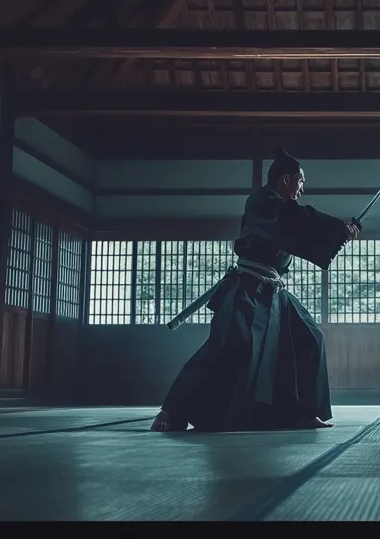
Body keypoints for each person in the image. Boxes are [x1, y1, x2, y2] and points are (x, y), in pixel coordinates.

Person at [151, 148, 360, 432]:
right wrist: (336, 230)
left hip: (274, 291)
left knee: (310, 338)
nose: (302, 187)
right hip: (247, 289)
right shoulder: (262, 202)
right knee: (229, 346)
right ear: (285, 179)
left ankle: (303, 412)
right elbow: (293, 221)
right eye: (300, 180)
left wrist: (339, 236)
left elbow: (298, 231)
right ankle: (173, 409)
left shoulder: (285, 211)